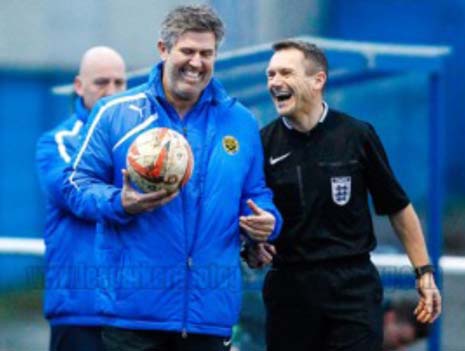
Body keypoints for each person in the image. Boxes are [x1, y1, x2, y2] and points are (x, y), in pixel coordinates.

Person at [60, 5, 282, 351]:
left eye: (206, 53)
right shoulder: (115, 113)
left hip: (209, 316)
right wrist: (121, 203)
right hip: (133, 317)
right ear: (163, 50)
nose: (196, 62)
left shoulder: (240, 121)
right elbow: (74, 185)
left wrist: (268, 223)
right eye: (188, 51)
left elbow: (256, 193)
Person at [245, 39, 441, 351]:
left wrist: (424, 273)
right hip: (290, 287)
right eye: (270, 75)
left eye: (285, 73)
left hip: (352, 287)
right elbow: (249, 213)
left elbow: (398, 208)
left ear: (317, 80)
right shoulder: (261, 144)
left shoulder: (356, 135)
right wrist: (252, 246)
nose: (275, 83)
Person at [36, 46, 127, 351]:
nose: (111, 92)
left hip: (134, 311)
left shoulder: (144, 140)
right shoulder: (58, 141)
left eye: (119, 83)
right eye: (102, 82)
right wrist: (130, 198)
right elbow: (74, 191)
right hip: (79, 308)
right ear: (78, 86)